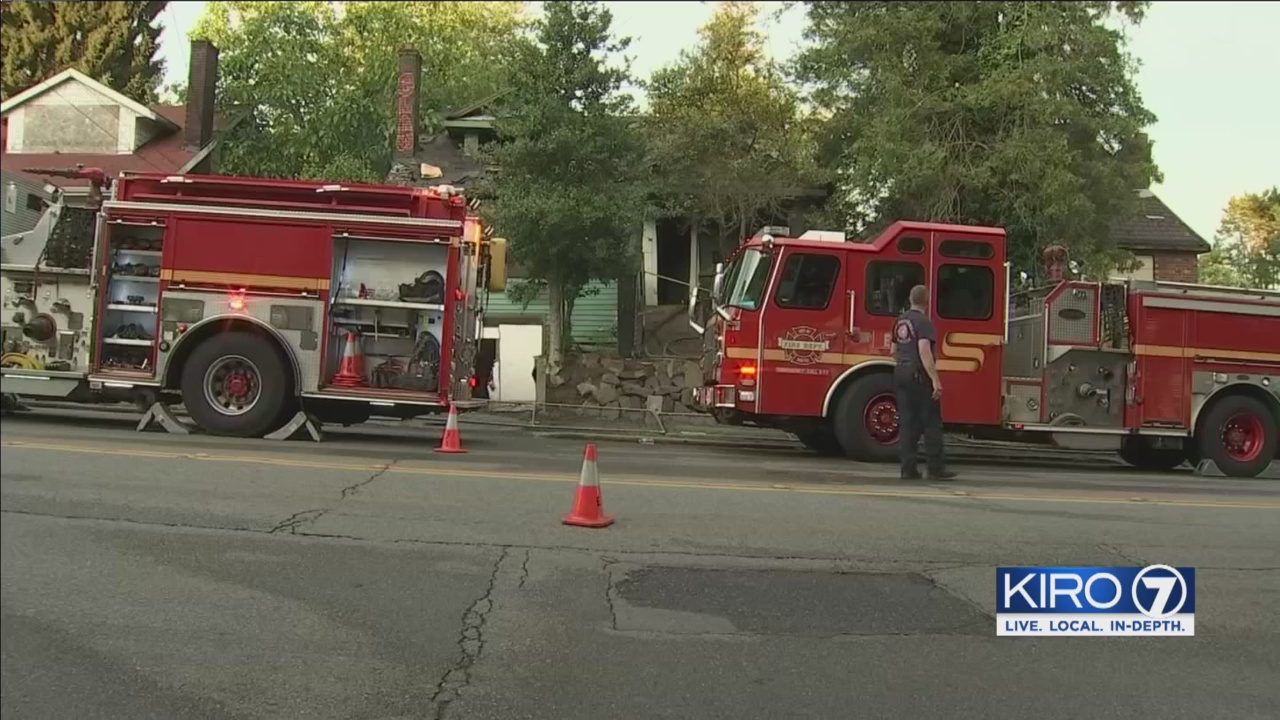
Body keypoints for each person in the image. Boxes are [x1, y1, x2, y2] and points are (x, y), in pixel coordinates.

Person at [891, 285, 956, 481]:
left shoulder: (900, 321)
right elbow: (924, 351)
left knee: (907, 422)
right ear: (926, 301)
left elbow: (892, 350)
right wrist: (935, 380)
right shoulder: (924, 322)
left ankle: (908, 469)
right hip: (919, 375)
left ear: (911, 299)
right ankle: (936, 469)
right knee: (931, 423)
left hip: (901, 372)